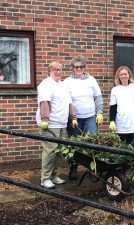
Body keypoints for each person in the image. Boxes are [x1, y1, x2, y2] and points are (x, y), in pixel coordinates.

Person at [36, 61, 77, 189]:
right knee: (50, 151)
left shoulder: (63, 85)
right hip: (50, 124)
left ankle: (53, 175)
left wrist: (73, 117)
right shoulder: (46, 84)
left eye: (60, 70)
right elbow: (44, 102)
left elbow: (69, 102)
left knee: (59, 152)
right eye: (55, 70)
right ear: (50, 71)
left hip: (62, 123)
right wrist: (45, 119)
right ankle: (45, 179)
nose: (58, 72)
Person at [64, 55, 104, 180]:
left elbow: (98, 97)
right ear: (72, 68)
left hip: (90, 116)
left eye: (81, 67)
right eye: (77, 67)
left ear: (84, 67)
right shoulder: (67, 82)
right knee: (74, 144)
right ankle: (73, 168)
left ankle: (94, 170)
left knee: (93, 143)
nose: (79, 69)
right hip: (75, 119)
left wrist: (100, 112)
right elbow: (66, 100)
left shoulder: (91, 80)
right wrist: (71, 116)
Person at [109, 66, 134, 143]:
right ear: (118, 76)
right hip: (121, 125)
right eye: (121, 74)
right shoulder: (115, 90)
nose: (123, 76)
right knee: (122, 150)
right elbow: (113, 107)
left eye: (125, 74)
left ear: (129, 75)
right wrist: (112, 121)